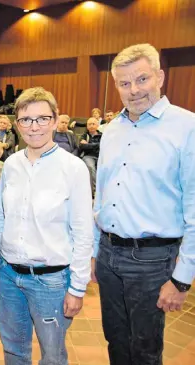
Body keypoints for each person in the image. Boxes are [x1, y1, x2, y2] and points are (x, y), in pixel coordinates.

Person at [92, 43, 195, 365]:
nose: (134, 90)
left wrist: (181, 278)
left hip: (152, 260)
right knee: (116, 342)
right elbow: (102, 197)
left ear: (160, 77)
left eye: (141, 79)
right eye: (124, 83)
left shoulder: (187, 128)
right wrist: (96, 253)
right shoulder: (111, 131)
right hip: (109, 255)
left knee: (146, 350)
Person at [0, 87, 93, 365]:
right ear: (17, 124)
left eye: (42, 118)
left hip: (51, 282)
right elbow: (0, 217)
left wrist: (78, 287)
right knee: (13, 350)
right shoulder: (11, 164)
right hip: (9, 276)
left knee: (53, 355)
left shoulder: (73, 168)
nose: (34, 127)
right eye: (25, 120)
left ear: (56, 119)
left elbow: (84, 233)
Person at [79, 117, 102, 196]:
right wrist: (96, 145)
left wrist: (88, 145)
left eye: (93, 124)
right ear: (87, 126)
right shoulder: (84, 136)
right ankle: (95, 192)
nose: (91, 126)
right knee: (91, 167)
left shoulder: (102, 135)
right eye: (89, 124)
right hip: (88, 156)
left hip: (100, 156)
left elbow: (103, 146)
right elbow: (82, 147)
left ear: (97, 125)